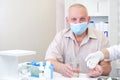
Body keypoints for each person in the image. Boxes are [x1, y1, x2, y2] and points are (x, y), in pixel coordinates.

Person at [45, 3, 111, 78]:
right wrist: (61, 68)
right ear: (67, 20)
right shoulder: (61, 37)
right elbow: (49, 60)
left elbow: (107, 66)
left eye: (82, 19)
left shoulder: (100, 37)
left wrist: (101, 69)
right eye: (74, 19)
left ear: (88, 19)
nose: (78, 23)